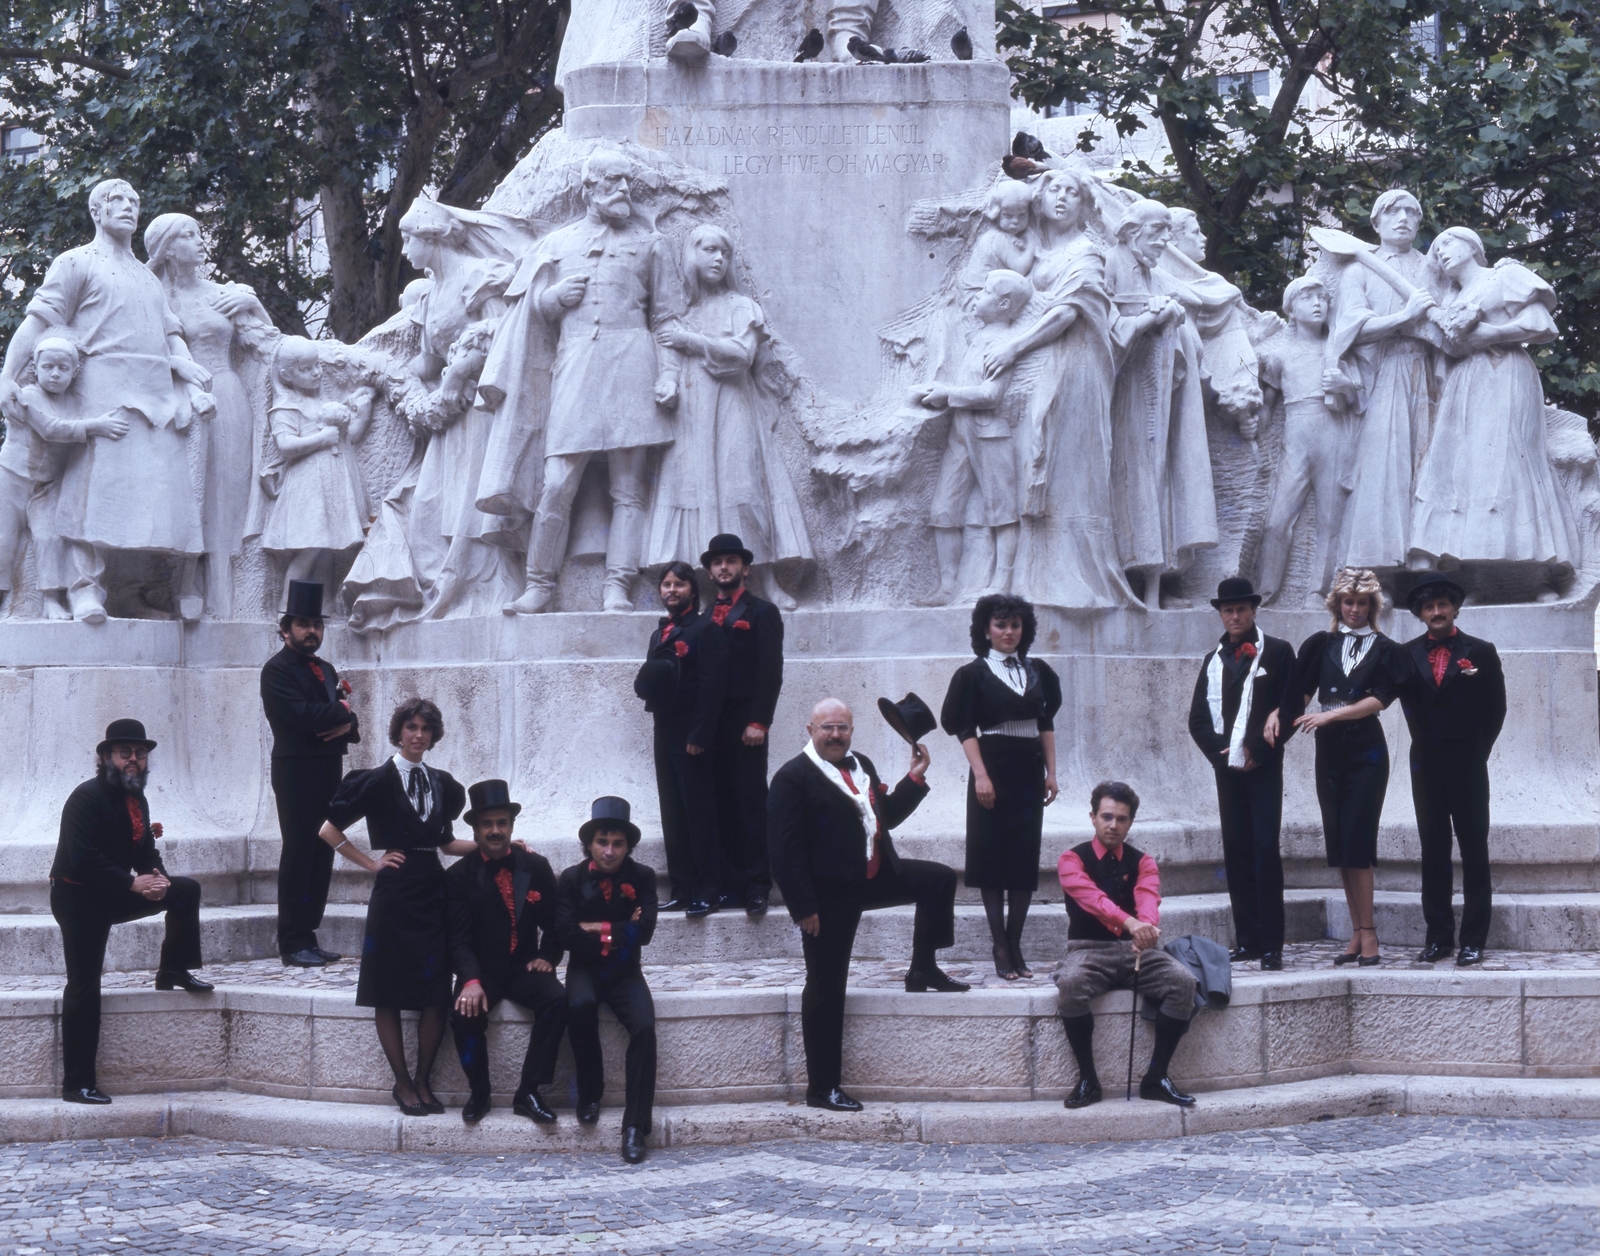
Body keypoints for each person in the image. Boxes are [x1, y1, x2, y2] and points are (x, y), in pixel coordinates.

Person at [2, 179, 212, 624]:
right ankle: (84, 590)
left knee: (153, 505)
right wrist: (6, 375)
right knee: (92, 494)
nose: (128, 208)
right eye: (117, 200)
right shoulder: (76, 262)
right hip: (100, 391)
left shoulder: (146, 277)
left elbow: (171, 332)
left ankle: (129, 592)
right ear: (97, 211)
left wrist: (186, 366)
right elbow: (37, 323)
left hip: (155, 397)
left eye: (135, 201)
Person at [488, 148, 683, 614]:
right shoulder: (557, 243)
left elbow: (668, 318)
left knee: (629, 488)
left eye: (627, 182)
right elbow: (531, 311)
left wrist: (670, 372)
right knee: (557, 482)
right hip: (575, 364)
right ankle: (539, 583)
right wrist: (553, 299)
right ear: (588, 189)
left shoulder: (652, 244)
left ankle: (618, 585)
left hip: (633, 364)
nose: (624, 191)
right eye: (613, 181)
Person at [768, 698, 968, 1114]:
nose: (836, 735)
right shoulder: (792, 778)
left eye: (842, 727)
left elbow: (885, 817)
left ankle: (923, 967)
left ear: (852, 730)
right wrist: (803, 908)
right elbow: (784, 852)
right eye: (827, 728)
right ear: (810, 730)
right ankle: (822, 1087)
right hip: (828, 896)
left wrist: (914, 779)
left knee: (938, 880)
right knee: (826, 986)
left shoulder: (861, 764)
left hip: (874, 876)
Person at [646, 225, 812, 606]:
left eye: (725, 252)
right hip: (690, 414)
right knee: (694, 492)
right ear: (691, 255)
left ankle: (768, 582)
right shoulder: (679, 313)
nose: (719, 259)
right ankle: (701, 590)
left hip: (733, 407)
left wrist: (694, 342)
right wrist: (668, 382)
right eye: (709, 250)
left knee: (745, 489)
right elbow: (666, 359)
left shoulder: (741, 307)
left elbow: (741, 356)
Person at [319, 698, 469, 1115]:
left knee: (436, 991)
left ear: (434, 735)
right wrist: (372, 863)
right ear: (398, 732)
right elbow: (327, 830)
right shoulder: (378, 780)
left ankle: (423, 1080)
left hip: (432, 888)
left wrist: (497, 847)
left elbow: (447, 844)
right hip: (394, 893)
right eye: (410, 727)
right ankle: (401, 1083)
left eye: (425, 728)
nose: (418, 735)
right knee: (387, 991)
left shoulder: (443, 783)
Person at [49, 719, 212, 1104]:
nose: (134, 760)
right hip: (77, 899)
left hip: (114, 892)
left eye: (140, 754)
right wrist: (132, 884)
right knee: (85, 985)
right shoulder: (84, 798)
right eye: (126, 753)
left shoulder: (137, 798)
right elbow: (83, 860)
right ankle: (77, 1083)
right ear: (106, 757)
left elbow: (144, 853)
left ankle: (173, 968)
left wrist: (157, 880)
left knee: (184, 891)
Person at [1410, 227, 1578, 588]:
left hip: (1503, 372)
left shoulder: (1504, 275)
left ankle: (1532, 572)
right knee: (1464, 468)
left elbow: (1542, 325)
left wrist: (1493, 333)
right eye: (1435, 250)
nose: (1441, 253)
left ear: (1473, 246)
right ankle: (1477, 574)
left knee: (1504, 460)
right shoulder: (1454, 296)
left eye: (1448, 243)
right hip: (1465, 380)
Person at [143, 212, 276, 620]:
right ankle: (183, 583)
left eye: (200, 233)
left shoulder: (225, 293)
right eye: (189, 235)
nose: (201, 241)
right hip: (177, 403)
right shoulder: (152, 296)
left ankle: (225, 596)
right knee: (188, 494)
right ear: (167, 248)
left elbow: (269, 348)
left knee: (229, 496)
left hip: (228, 395)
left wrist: (256, 305)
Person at [1280, 568, 1400, 966]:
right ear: (1337, 605)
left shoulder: (1386, 649)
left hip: (1366, 750)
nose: (1354, 609)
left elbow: (1379, 700)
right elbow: (1298, 691)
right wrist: (1274, 716)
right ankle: (1355, 931)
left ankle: (1370, 936)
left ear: (1372, 606)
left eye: (1361, 602)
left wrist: (1330, 716)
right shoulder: (1320, 644)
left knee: (1358, 843)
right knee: (1341, 846)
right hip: (1329, 752)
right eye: (1348, 602)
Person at [939, 594, 1061, 980]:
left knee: (1023, 861)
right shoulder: (972, 674)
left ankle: (1017, 942)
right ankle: (999, 946)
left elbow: (1045, 724)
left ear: (1024, 630)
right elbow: (962, 727)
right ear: (986, 630)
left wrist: (1052, 773)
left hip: (1028, 768)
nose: (1009, 632)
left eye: (1015, 625)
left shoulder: (1039, 671)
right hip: (991, 766)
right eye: (1001, 625)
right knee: (991, 859)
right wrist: (981, 775)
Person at [1056, 781, 1199, 1109]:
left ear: (1130, 822)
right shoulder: (1071, 859)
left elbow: (1148, 895)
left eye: (1121, 819)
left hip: (1136, 950)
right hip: (1088, 949)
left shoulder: (1143, 861)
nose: (1113, 825)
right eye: (1106, 816)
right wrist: (1131, 923)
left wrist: (1145, 928)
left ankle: (1156, 1077)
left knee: (1183, 982)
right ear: (1092, 817)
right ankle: (1088, 1080)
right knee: (1070, 983)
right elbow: (1092, 899)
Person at [1394, 571, 1507, 967]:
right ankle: (1438, 937)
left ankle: (1473, 939)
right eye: (1429, 606)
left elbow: (1496, 709)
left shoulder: (1481, 651)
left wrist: (1477, 750)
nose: (1437, 611)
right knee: (1433, 851)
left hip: (1469, 764)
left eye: (1443, 604)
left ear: (1455, 608)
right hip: (1425, 766)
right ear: (1421, 613)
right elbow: (1385, 695)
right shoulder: (1405, 654)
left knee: (1475, 850)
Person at [1186, 577, 1297, 969]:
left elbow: (1290, 709)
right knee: (1236, 850)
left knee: (1265, 849)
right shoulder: (1212, 660)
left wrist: (1256, 750)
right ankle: (1248, 939)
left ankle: (1272, 944)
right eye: (1228, 610)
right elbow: (1198, 720)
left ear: (1253, 611)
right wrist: (1222, 757)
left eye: (1241, 609)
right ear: (1221, 613)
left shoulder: (1279, 652)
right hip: (1226, 769)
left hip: (1263, 766)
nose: (1234, 616)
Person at [1328, 188, 1439, 573]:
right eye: (1393, 211)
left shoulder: (1432, 267)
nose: (1403, 218)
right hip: (1386, 372)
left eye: (1412, 211)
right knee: (1386, 465)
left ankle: (1428, 555)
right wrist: (1403, 318)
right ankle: (1379, 568)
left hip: (1430, 372)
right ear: (1376, 222)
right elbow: (1351, 328)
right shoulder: (1359, 269)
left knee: (1431, 460)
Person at [447, 779, 567, 1125]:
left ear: (512, 826)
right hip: (481, 970)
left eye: (502, 823)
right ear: (475, 829)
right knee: (463, 1015)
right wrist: (469, 980)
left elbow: (556, 919)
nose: (496, 830)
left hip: (524, 966)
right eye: (488, 824)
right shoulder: (458, 877)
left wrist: (549, 955)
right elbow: (457, 938)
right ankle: (479, 1091)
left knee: (557, 999)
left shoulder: (536, 866)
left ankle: (528, 1091)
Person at [912, 269, 1034, 603]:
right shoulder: (978, 336)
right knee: (943, 509)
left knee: (1002, 510)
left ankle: (1002, 581)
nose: (977, 297)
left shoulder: (1003, 344)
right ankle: (948, 585)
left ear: (1004, 303)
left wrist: (947, 394)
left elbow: (991, 395)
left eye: (985, 292)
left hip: (990, 432)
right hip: (961, 431)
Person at [554, 796, 660, 1165]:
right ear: (590, 844)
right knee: (579, 1006)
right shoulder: (571, 878)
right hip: (584, 968)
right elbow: (566, 933)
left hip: (626, 972)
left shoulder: (643, 878)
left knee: (645, 1026)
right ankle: (590, 1092)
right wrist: (620, 929)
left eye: (617, 844)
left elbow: (644, 933)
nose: (610, 851)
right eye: (603, 842)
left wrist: (595, 927)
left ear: (628, 846)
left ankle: (635, 1127)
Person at [260, 580, 361, 967]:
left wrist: (345, 721)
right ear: (285, 630)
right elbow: (303, 717)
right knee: (300, 851)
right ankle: (292, 941)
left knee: (323, 850)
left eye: (316, 624)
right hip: (295, 772)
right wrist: (343, 714)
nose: (311, 631)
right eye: (303, 624)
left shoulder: (326, 668)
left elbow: (349, 725)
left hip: (328, 768)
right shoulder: (276, 671)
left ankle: (309, 935)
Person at [0, 337, 129, 614]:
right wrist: (96, 426)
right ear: (35, 367)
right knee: (3, 544)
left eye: (62, 368)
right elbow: (50, 429)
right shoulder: (30, 395)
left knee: (49, 538)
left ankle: (50, 600)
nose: (55, 374)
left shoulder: (76, 402)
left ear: (75, 371)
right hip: (11, 479)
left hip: (46, 484)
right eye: (48, 367)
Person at [1254, 277, 1359, 606]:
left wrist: (1346, 385)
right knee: (1276, 521)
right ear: (1291, 309)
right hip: (1296, 434)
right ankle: (1265, 590)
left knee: (1330, 520)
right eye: (1308, 298)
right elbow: (1265, 402)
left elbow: (1359, 400)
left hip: (1333, 432)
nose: (1318, 304)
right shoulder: (1279, 351)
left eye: (1322, 298)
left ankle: (1319, 590)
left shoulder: (1339, 348)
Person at [634, 560, 728, 916]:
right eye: (666, 585)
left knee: (699, 812)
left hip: (694, 735)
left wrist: (699, 734)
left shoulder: (706, 630)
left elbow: (713, 688)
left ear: (693, 589)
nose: (672, 591)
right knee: (673, 811)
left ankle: (710, 887)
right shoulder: (658, 635)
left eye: (679, 585)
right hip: (665, 732)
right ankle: (683, 887)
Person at [701, 534, 783, 914]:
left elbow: (771, 672)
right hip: (712, 725)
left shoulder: (762, 612)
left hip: (746, 722)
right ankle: (729, 882)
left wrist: (759, 722)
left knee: (751, 801)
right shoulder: (702, 619)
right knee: (719, 801)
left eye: (731, 560)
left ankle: (756, 885)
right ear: (709, 570)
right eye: (717, 562)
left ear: (745, 568)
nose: (724, 567)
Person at [257, 336, 374, 590]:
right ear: (286, 375)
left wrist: (362, 416)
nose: (315, 373)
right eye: (305, 369)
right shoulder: (285, 408)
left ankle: (320, 610)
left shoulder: (325, 402)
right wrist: (321, 439)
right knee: (310, 549)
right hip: (308, 486)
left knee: (329, 549)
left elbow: (349, 439)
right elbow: (286, 446)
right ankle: (289, 611)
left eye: (317, 365)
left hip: (336, 483)